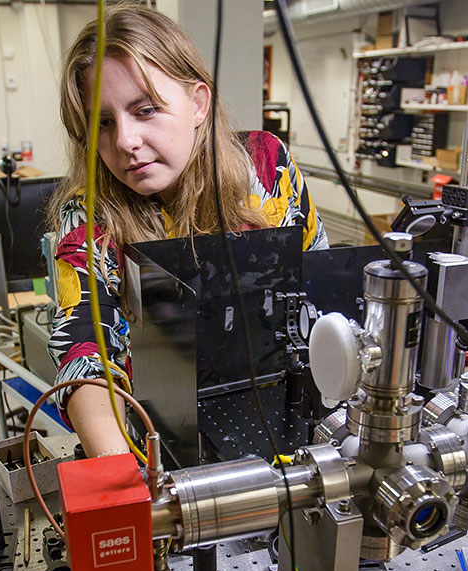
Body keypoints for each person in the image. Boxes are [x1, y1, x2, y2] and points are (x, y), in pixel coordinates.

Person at [45, 4, 329, 458]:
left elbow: (320, 286)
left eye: (145, 110)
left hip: (291, 431)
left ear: (197, 103)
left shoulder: (266, 166)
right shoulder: (90, 217)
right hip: (165, 452)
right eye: (103, 122)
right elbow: (83, 354)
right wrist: (129, 489)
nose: (124, 142)